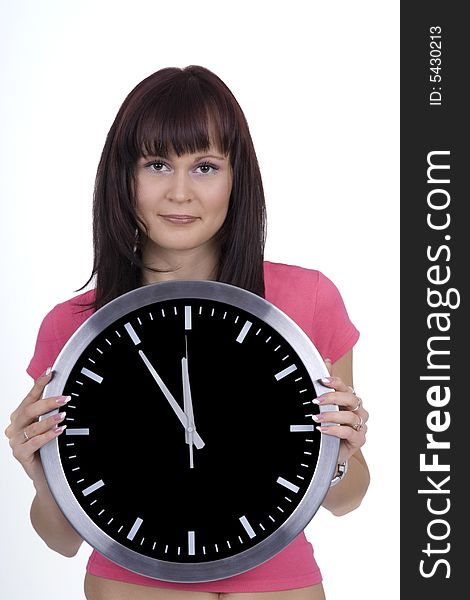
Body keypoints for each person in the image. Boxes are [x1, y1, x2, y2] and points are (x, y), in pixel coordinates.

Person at [5, 65, 370, 600]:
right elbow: (61, 540)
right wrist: (40, 474)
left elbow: (348, 499)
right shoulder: (75, 327)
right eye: (157, 163)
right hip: (133, 585)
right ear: (123, 175)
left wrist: (341, 455)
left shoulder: (306, 302)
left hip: (282, 582)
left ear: (236, 177)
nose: (180, 192)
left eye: (204, 166)